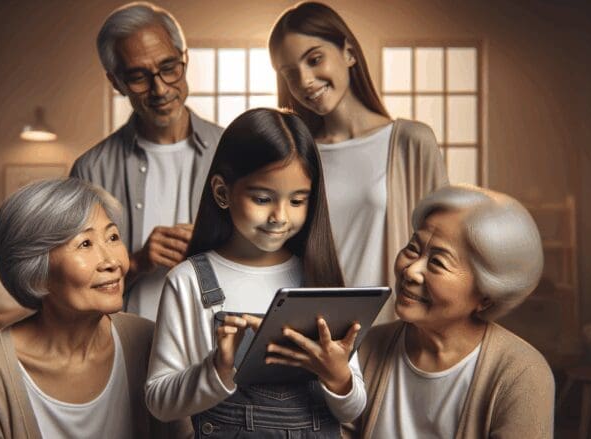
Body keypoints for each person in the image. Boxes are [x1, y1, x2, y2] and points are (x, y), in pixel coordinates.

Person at [145, 108, 366, 437]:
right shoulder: (188, 281)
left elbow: (353, 409)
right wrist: (218, 368)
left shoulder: (317, 279)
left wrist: (338, 377)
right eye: (263, 198)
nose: (280, 216)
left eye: (297, 201)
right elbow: (159, 401)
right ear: (222, 192)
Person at [0, 178, 188, 438]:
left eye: (112, 237)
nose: (112, 262)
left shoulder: (151, 343)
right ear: (35, 271)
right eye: (85, 244)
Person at [269, 2, 449, 324]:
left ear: (349, 52)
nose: (306, 80)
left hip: (392, 332)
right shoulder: (297, 155)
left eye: (314, 59)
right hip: (316, 334)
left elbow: (443, 244)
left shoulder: (410, 142)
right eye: (290, 73)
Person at [343, 185, 555, 438]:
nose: (410, 271)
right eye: (413, 248)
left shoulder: (522, 374)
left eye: (438, 262)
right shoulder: (366, 347)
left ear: (485, 296)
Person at [71, 2, 224, 322]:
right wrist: (138, 261)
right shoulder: (90, 170)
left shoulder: (233, 151)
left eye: (169, 67)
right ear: (116, 82)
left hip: (216, 346)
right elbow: (74, 284)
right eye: (139, 76)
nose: (160, 88)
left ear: (185, 59)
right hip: (124, 346)